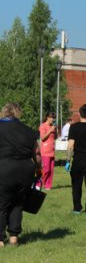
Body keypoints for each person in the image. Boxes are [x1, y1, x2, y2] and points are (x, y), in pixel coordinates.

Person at [0, 103, 40, 247]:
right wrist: (38, 168)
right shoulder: (28, 130)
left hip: (4, 169)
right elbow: (36, 153)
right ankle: (14, 237)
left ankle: (0, 239)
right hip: (25, 170)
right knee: (18, 203)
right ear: (18, 113)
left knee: (2, 204)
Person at [39, 112, 57, 190]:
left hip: (52, 151)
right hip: (45, 151)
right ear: (47, 118)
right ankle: (40, 183)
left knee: (51, 170)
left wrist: (55, 130)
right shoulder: (43, 126)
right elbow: (42, 137)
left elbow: (55, 137)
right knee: (45, 169)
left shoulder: (52, 126)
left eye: (54, 118)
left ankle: (48, 186)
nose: (53, 120)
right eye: (52, 118)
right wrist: (50, 130)